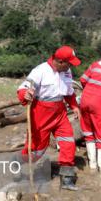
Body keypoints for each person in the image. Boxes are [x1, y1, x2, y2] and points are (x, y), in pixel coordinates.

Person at [17, 45, 82, 191]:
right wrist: (25, 94)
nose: (71, 65)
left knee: (68, 142)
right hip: (40, 112)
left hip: (59, 111)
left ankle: (67, 180)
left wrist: (74, 106)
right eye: (69, 63)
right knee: (36, 150)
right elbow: (23, 89)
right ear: (60, 61)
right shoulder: (40, 71)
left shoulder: (67, 71)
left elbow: (68, 92)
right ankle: (17, 168)